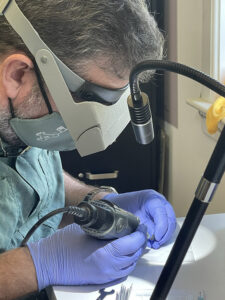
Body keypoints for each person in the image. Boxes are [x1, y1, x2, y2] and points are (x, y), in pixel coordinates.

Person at [0, 0, 176, 299]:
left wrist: (99, 203)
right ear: (18, 74)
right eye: (88, 101)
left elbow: (33, 177)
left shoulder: (22, 120)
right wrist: (34, 265)